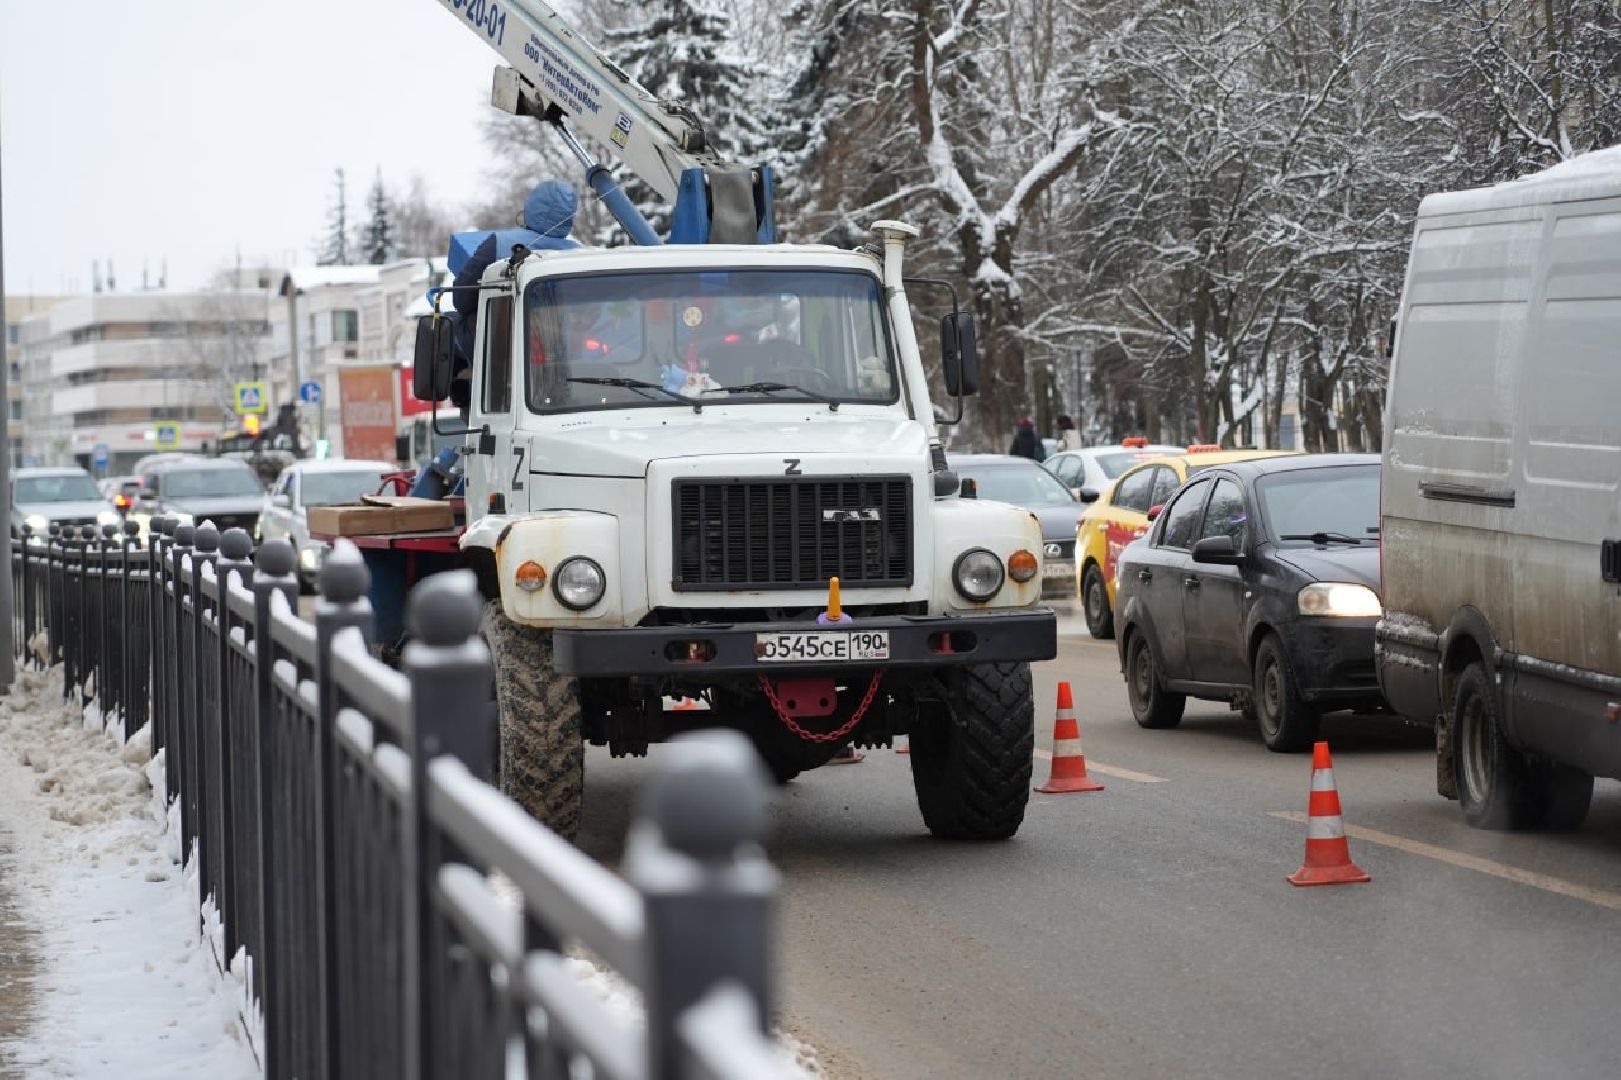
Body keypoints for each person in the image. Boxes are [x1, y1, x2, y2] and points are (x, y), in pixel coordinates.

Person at [448, 180, 582, 408]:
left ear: (531, 208)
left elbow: (461, 299)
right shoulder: (580, 253)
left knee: (449, 324)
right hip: (563, 353)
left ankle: (465, 393)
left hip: (504, 352)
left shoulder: (500, 244)